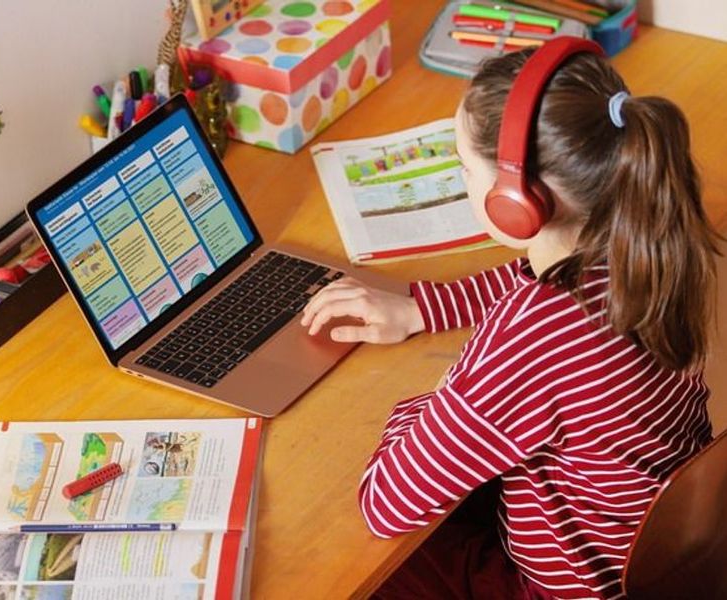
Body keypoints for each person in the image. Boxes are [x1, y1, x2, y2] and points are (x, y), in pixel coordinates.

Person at [301, 37, 721, 600]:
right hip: (632, 550)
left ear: (519, 200)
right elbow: (536, 279)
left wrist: (433, 402)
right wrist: (423, 308)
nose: (461, 181)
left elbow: (386, 500)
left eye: (464, 168)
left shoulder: (534, 338)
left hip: (560, 587)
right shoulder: (648, 240)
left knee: (348, 574)